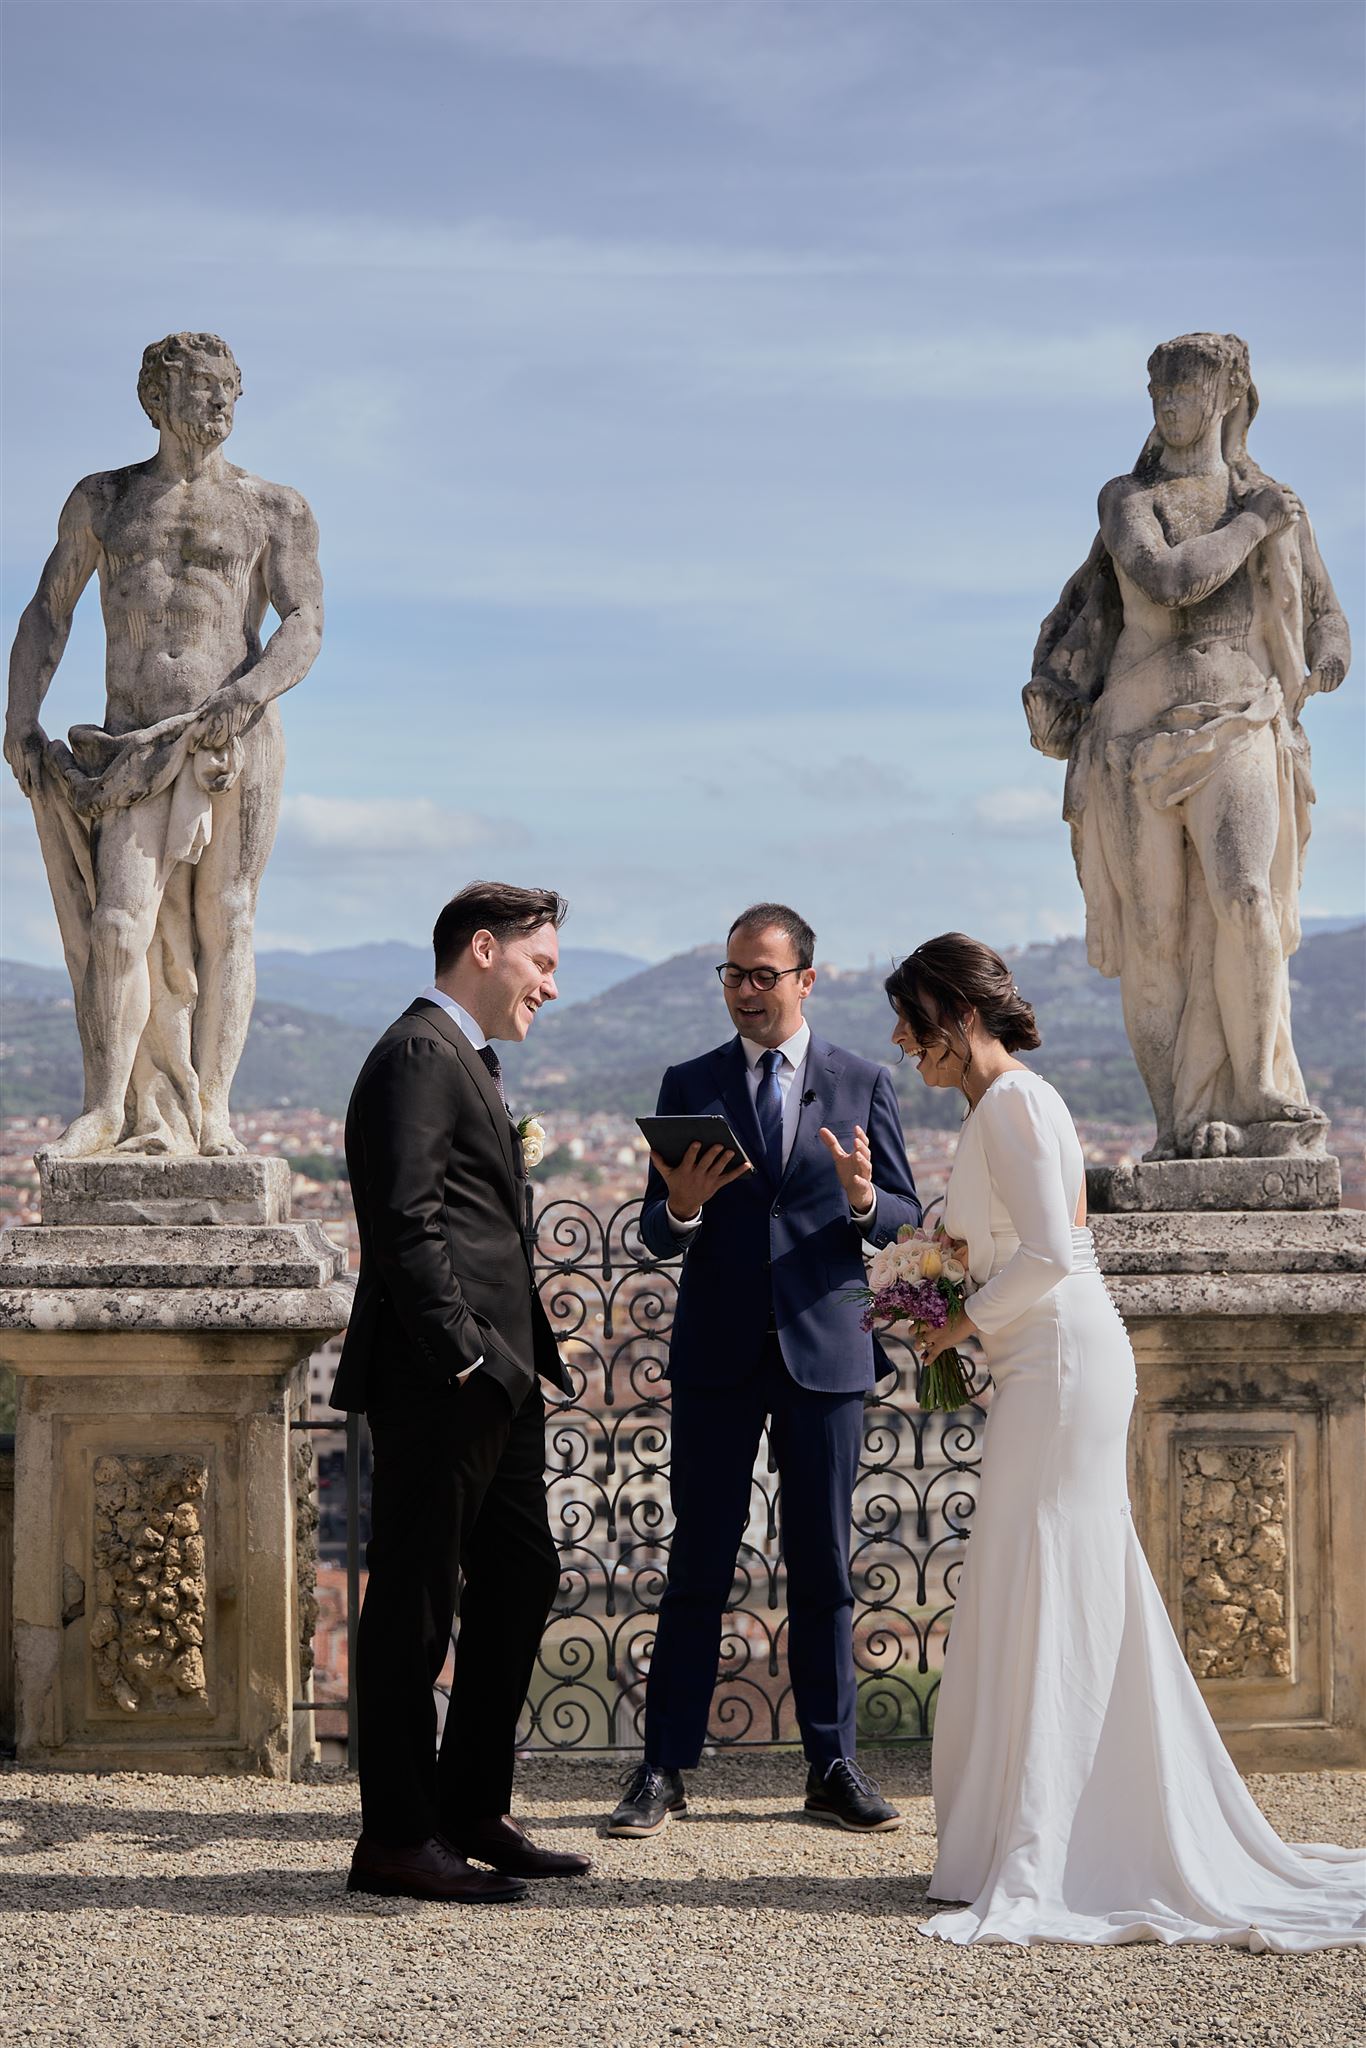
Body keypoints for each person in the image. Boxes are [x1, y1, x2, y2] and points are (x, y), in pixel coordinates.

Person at [890, 932, 1364, 1947]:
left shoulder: (1015, 1100)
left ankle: (1060, 1839)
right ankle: (1038, 1829)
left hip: (1058, 1366)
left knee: (1049, 1573)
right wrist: (947, 1273)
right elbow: (1024, 1242)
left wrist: (953, 1321)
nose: (902, 1042)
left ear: (957, 1016)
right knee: (1039, 1573)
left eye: (912, 1021)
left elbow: (1059, 1251)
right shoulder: (1001, 1105)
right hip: (1044, 1362)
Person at [606, 903, 922, 1839]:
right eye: (734, 975)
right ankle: (662, 1768)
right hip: (716, 1356)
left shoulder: (863, 1081)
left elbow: (905, 1217)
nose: (746, 990)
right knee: (698, 1563)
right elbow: (656, 1229)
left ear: (806, 981)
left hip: (825, 1354)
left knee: (823, 1565)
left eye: (763, 976)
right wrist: (684, 1207)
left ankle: (832, 1764)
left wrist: (868, 1200)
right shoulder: (690, 1081)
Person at [1023, 331, 1350, 1161]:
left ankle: (1267, 1101)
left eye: (1188, 389)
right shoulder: (1130, 499)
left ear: (1229, 396)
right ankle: (1181, 1119)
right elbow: (1167, 581)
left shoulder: (1277, 501)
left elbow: (1323, 610)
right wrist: (1249, 527)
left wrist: (1333, 652)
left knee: (1247, 902)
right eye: (1160, 390)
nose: (1171, 404)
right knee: (1155, 935)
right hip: (1133, 740)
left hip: (1240, 719)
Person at [331, 881, 590, 1904]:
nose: (553, 986)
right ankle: (396, 1835)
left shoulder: (455, 1059)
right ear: (484, 949)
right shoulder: (415, 1056)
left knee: (523, 1574)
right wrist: (467, 1354)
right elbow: (402, 1222)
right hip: (451, 1380)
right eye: (543, 964)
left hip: (497, 1385)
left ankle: (470, 1803)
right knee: (413, 1603)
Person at [4, 332, 324, 1158]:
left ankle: (212, 1108)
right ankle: (108, 1107)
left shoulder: (271, 507)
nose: (221, 402)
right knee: (118, 924)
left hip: (235, 734)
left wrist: (248, 692)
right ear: (157, 397)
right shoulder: (104, 500)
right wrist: (20, 717)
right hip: (131, 745)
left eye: (230, 389)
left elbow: (305, 622)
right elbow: (49, 609)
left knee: (229, 917)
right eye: (204, 387)